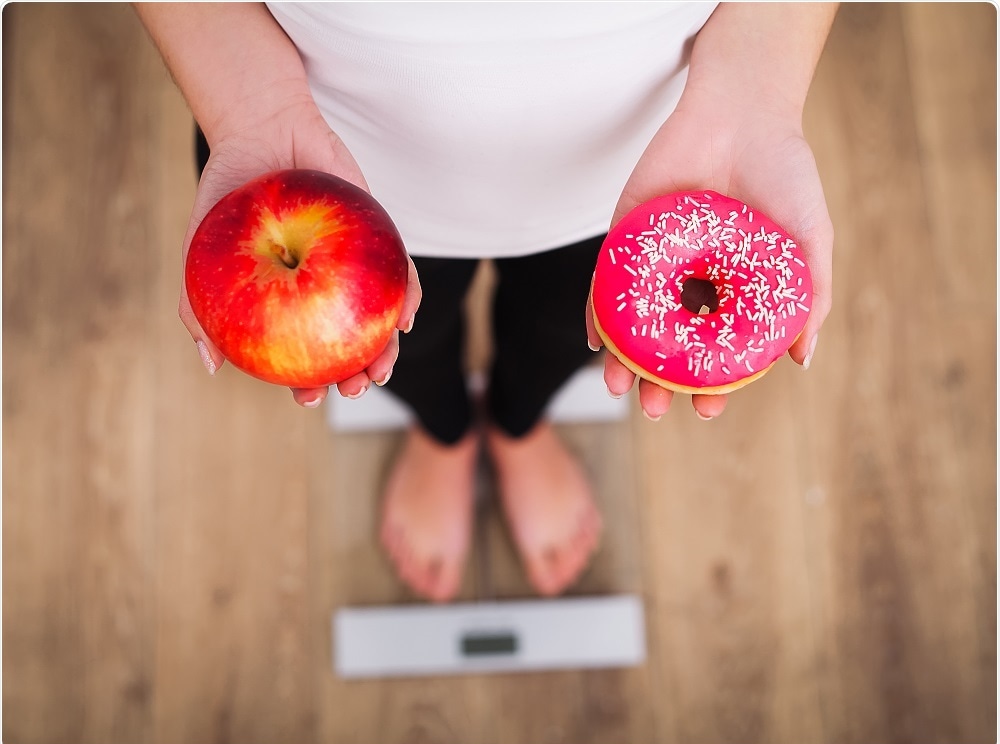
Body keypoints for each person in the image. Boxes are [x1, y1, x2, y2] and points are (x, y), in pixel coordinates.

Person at [136, 2, 837, 603]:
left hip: (659, 159)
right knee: (401, 343)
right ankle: (441, 432)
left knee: (566, 330)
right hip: (319, 161)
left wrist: (759, 86)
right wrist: (246, 105)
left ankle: (518, 423)